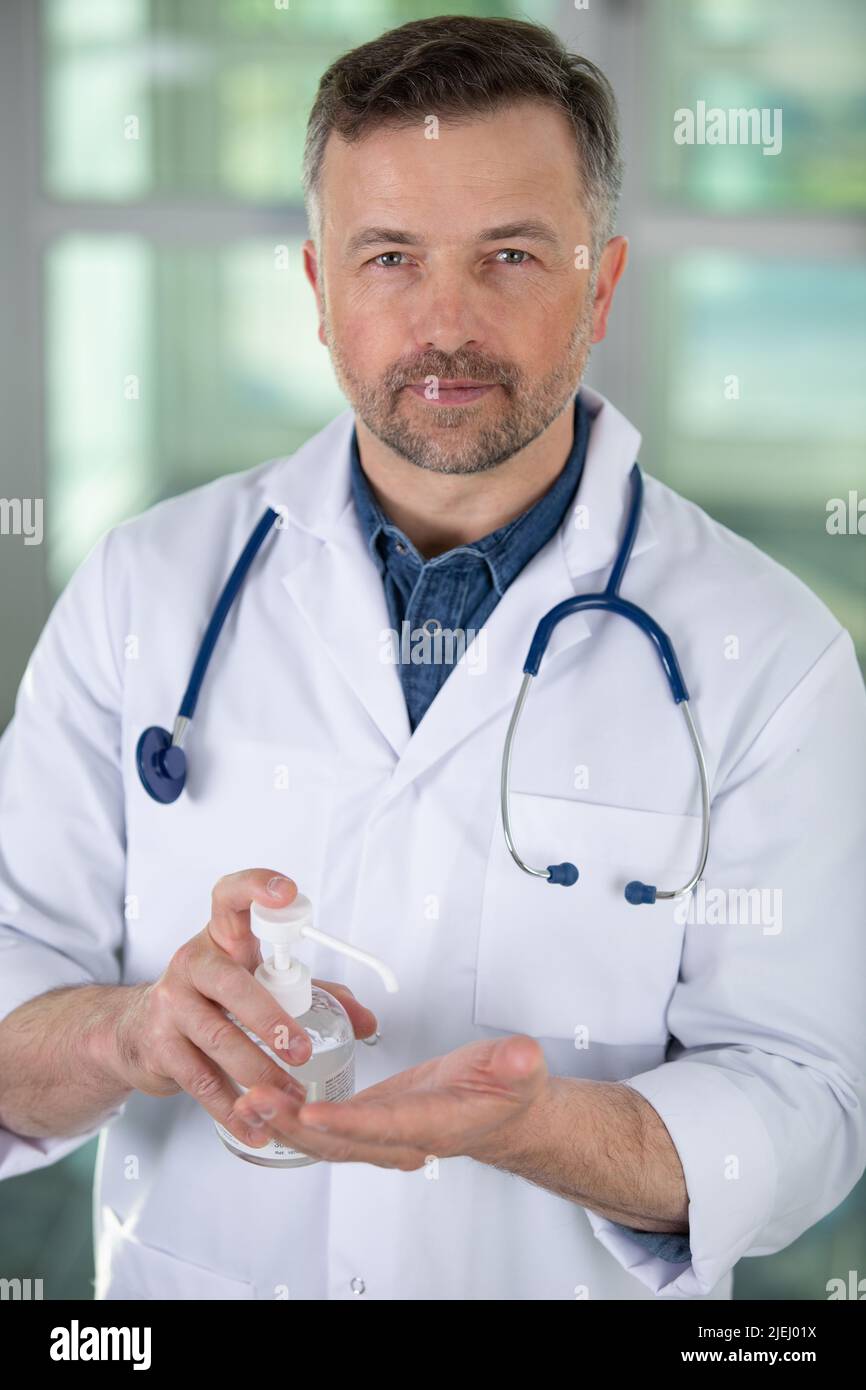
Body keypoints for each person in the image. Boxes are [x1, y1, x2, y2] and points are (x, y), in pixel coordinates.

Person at [0, 15, 864, 1302]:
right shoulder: (144, 587)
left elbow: (807, 1106)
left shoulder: (770, 653)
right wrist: (131, 1030)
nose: (444, 322)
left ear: (603, 282)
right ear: (316, 287)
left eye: (509, 254)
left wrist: (532, 1130)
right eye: (390, 256)